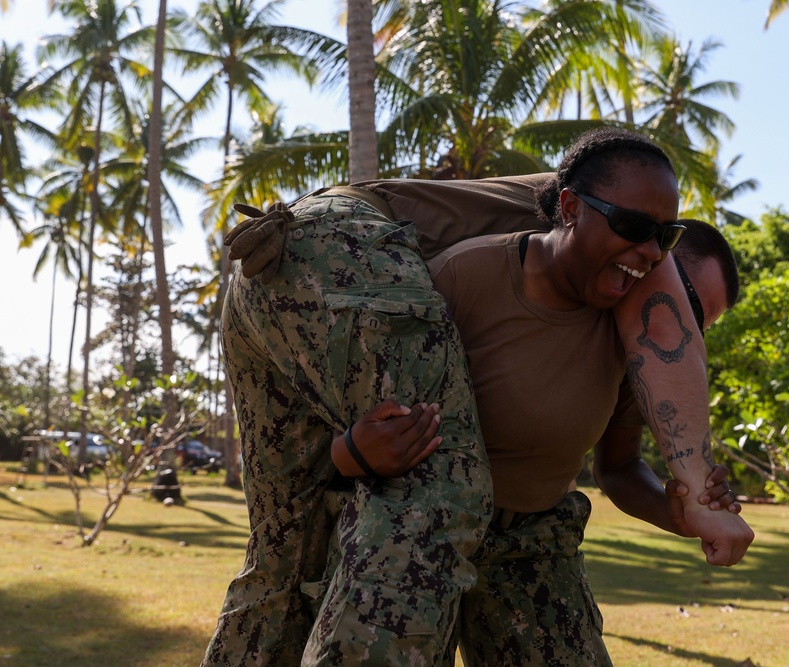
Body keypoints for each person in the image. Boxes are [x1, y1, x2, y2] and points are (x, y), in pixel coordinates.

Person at [416, 127, 754, 665]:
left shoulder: (633, 361)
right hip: (424, 524)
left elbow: (618, 468)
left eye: (661, 240)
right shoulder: (471, 275)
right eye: (684, 300)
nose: (683, 324)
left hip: (531, 535)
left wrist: (685, 514)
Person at [201, 194, 493, 666]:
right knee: (433, 494)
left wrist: (346, 455)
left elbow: (327, 466)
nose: (651, 248)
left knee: (284, 548)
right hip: (347, 254)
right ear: (569, 207)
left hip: (272, 258)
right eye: (635, 228)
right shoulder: (580, 190)